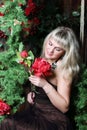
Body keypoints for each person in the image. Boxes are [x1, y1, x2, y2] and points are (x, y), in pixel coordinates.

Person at [0, 26, 80, 130]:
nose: (50, 50)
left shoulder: (63, 69)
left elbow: (64, 107)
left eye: (57, 49)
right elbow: (42, 91)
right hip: (36, 112)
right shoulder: (44, 59)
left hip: (52, 120)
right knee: (7, 122)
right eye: (50, 44)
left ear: (65, 53)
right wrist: (33, 94)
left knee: (10, 124)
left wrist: (45, 85)